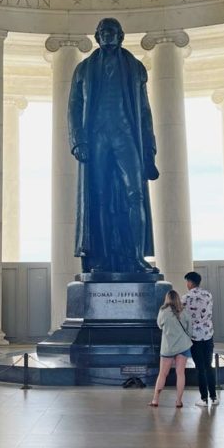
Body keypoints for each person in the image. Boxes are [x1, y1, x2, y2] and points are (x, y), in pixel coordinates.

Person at [68, 17, 159, 274]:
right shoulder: (83, 69)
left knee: (135, 195)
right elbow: (74, 108)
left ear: (121, 36)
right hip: (96, 139)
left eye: (112, 32)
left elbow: (144, 111)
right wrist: (78, 141)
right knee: (100, 198)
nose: (108, 36)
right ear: (97, 37)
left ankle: (136, 257)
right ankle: (102, 259)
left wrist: (149, 153)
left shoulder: (135, 68)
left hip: (126, 136)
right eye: (103, 32)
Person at [149, 290, 191, 408]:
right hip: (183, 345)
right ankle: (178, 401)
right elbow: (190, 328)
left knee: (162, 374)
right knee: (180, 374)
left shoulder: (163, 311)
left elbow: (159, 325)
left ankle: (155, 400)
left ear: (167, 298)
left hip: (168, 347)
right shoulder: (184, 311)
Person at [183, 271, 218, 407]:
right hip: (208, 334)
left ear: (191, 282)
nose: (187, 284)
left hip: (195, 337)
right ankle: (214, 397)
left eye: (187, 282)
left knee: (200, 368)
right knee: (209, 366)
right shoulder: (208, 294)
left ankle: (203, 398)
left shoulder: (186, 297)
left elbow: (180, 313)